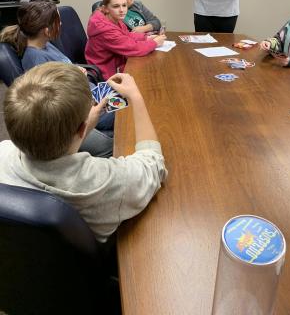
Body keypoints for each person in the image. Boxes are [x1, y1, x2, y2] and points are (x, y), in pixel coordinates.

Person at [0, 62, 167, 243]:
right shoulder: (102, 181)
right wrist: (136, 97)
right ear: (82, 129)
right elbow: (153, 163)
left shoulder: (4, 150)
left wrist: (84, 126)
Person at [0, 1, 113, 158]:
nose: (61, 24)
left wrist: (74, 71)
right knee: (125, 110)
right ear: (47, 30)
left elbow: (62, 71)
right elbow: (57, 100)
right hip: (81, 106)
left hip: (89, 91)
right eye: (58, 22)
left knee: (124, 93)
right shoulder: (35, 59)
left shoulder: (45, 44)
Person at [85, 0, 166, 79]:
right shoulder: (105, 30)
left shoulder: (113, 18)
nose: (122, 10)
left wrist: (147, 37)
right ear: (105, 9)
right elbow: (133, 48)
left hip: (117, 63)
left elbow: (126, 35)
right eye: (116, 6)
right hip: (107, 73)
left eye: (124, 5)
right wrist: (155, 43)